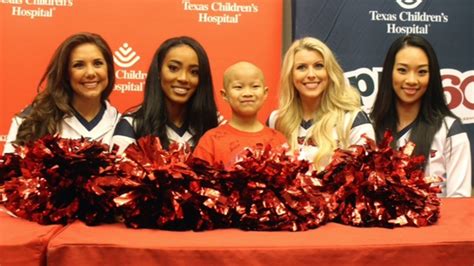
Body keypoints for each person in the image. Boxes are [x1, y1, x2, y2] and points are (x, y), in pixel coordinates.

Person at [370, 34, 471, 197]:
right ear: (389, 72)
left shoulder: (449, 130)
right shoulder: (368, 128)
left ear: (432, 77)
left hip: (440, 222)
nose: (412, 80)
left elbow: (459, 202)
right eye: (402, 70)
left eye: (422, 72)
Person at [3, 32, 120, 154]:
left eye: (98, 63)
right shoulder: (32, 120)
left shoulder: (123, 125)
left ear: (109, 69)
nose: (90, 73)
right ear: (65, 73)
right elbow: (9, 170)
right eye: (78, 65)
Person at [267, 37, 375, 170]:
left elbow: (366, 179)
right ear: (291, 75)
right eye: (301, 67)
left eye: (319, 66)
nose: (311, 74)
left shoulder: (353, 120)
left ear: (330, 72)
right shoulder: (276, 120)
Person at [112, 36, 222, 153]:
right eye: (173, 68)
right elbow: (120, 170)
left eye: (194, 72)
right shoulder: (131, 125)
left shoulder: (216, 124)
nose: (183, 78)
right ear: (159, 71)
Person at [193, 61, 287, 167]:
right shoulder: (210, 140)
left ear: (265, 93)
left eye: (255, 86)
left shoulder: (278, 140)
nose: (247, 93)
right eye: (238, 87)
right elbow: (197, 180)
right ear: (225, 95)